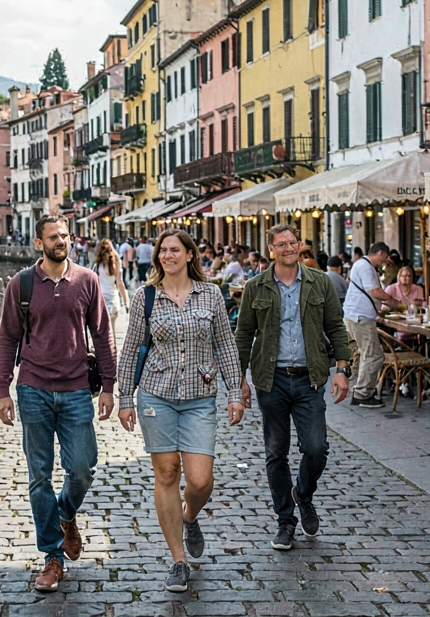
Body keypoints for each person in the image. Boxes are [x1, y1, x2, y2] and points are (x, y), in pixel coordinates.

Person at [0, 215, 118, 593]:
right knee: (39, 477)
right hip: (33, 388)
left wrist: (110, 386)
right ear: (39, 243)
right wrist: (3, 390)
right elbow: (7, 338)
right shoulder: (22, 284)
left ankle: (65, 514)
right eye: (53, 237)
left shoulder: (87, 280)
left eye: (64, 235)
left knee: (83, 467)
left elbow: (102, 332)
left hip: (77, 388)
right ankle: (52, 556)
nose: (61, 241)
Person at [117, 229, 245, 592]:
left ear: (190, 255)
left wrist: (235, 392)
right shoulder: (146, 296)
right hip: (156, 395)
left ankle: (190, 516)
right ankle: (178, 560)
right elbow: (131, 349)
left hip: (200, 396)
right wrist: (126, 397)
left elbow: (224, 344)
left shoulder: (211, 295)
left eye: (175, 250)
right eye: (162, 251)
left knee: (201, 480)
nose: (167, 256)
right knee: (168, 472)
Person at [234, 224, 353, 551]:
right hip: (270, 380)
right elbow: (243, 335)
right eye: (281, 244)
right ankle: (285, 521)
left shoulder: (320, 282)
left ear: (299, 245)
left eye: (293, 242)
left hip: (309, 377)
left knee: (316, 448)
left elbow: (335, 327)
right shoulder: (256, 287)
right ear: (271, 248)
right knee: (276, 452)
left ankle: (303, 493)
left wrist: (343, 369)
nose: (289, 248)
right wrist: (238, 381)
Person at [342, 243, 393, 408]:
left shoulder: (362, 265)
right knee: (374, 355)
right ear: (379, 253)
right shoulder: (365, 266)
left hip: (358, 316)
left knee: (368, 353)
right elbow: (374, 291)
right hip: (360, 317)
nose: (384, 261)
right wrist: (394, 302)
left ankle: (361, 392)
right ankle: (363, 394)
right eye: (384, 258)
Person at [94, 238, 130, 321]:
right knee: (112, 329)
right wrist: (126, 301)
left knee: (102, 328)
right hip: (113, 297)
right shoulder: (116, 262)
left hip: (100, 298)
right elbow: (120, 283)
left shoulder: (97, 265)